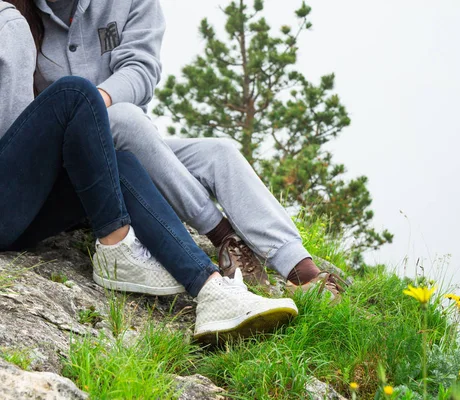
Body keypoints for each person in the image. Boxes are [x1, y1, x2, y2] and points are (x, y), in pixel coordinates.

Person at [0, 0, 298, 342]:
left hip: (24, 209)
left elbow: (140, 69)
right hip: (9, 201)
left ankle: (212, 291)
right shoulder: (10, 23)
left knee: (121, 160)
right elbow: (15, 138)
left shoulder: (24, 17)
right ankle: (118, 246)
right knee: (75, 93)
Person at [28, 0, 343, 296]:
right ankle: (223, 236)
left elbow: (141, 69)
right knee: (125, 118)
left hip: (131, 144)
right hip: (71, 168)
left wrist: (94, 102)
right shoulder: (22, 15)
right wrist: (86, 115)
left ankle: (301, 271)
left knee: (219, 153)